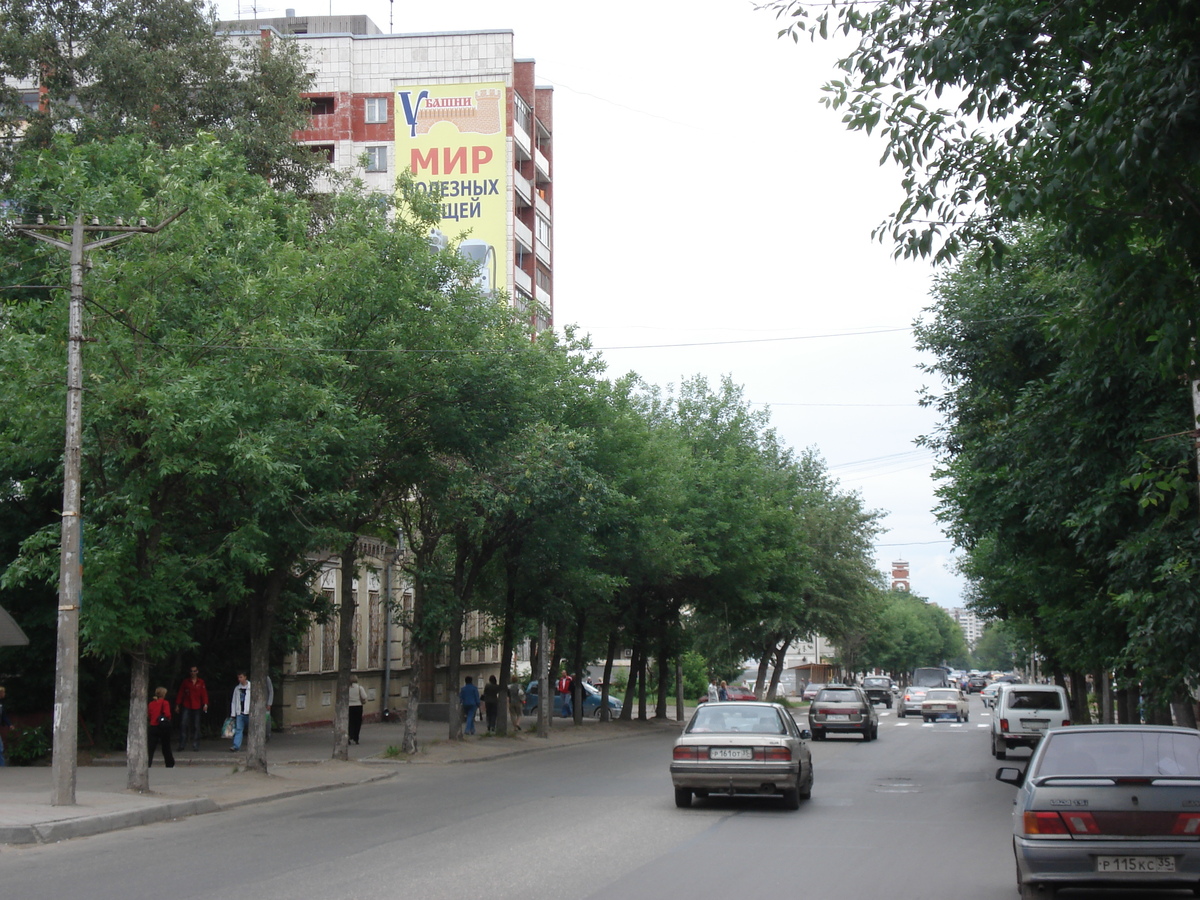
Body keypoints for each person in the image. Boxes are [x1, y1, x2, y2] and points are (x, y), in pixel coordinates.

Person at [175, 665, 209, 751]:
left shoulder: (201, 682)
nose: (193, 673)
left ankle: (196, 744)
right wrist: (177, 704)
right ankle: (182, 744)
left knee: (196, 726)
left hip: (197, 706)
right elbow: (181, 693)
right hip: (187, 705)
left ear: (197, 672)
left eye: (194, 671)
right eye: (191, 671)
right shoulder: (186, 682)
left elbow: (204, 694)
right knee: (183, 724)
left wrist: (205, 704)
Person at [148, 686, 175, 768]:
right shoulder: (165, 703)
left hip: (153, 726)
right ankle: (169, 763)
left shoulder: (151, 703)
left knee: (151, 747)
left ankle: (148, 762)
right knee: (166, 746)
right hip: (163, 727)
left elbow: (149, 715)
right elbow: (167, 714)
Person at [229, 671, 251, 752]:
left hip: (249, 712)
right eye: (238, 677)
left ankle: (252, 745)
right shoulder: (237, 688)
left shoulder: (251, 687)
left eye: (241, 677)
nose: (239, 679)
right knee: (239, 729)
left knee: (251, 730)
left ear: (245, 677)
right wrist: (233, 713)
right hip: (240, 713)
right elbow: (234, 701)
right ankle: (236, 746)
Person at [348, 675, 368, 744]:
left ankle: (349, 736)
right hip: (358, 706)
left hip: (349, 706)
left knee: (350, 722)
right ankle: (356, 737)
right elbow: (364, 696)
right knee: (357, 722)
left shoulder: (347, 688)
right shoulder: (359, 688)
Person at [0, 685, 11, 767]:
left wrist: (9, 724)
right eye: (3, 692)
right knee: (0, 747)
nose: (4, 694)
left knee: (0, 748)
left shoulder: (1, 704)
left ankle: (2, 765)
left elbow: (3, 716)